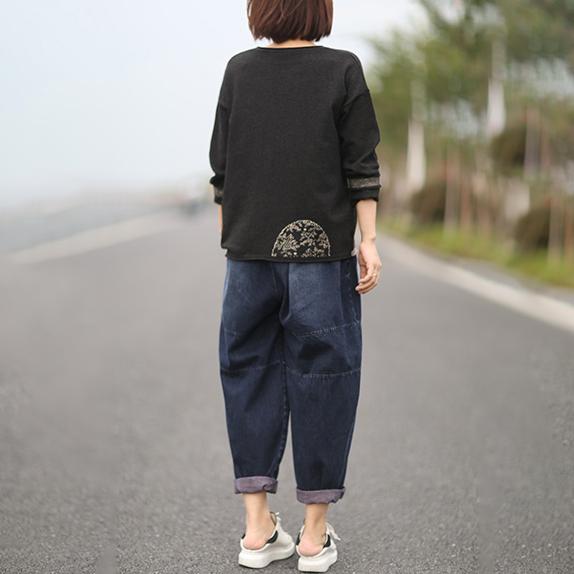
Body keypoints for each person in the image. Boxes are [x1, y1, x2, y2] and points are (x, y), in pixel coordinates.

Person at [208, 0, 383, 571]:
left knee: (247, 373)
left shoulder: (239, 70)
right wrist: (369, 240)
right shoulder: (342, 69)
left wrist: (235, 241)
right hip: (321, 257)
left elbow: (222, 172)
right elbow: (361, 167)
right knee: (324, 379)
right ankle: (312, 536)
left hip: (247, 258)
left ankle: (257, 530)